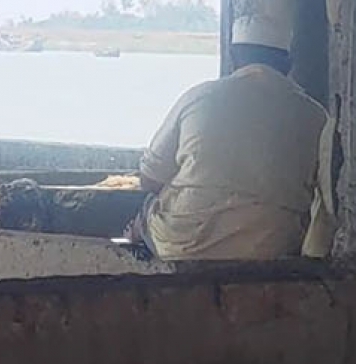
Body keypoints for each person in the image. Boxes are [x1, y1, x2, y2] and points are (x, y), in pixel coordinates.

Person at [130, 16, 326, 261]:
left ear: (233, 57)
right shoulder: (315, 115)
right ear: (288, 63)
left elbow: (150, 179)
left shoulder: (199, 97)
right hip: (272, 247)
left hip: (185, 245)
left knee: (147, 210)